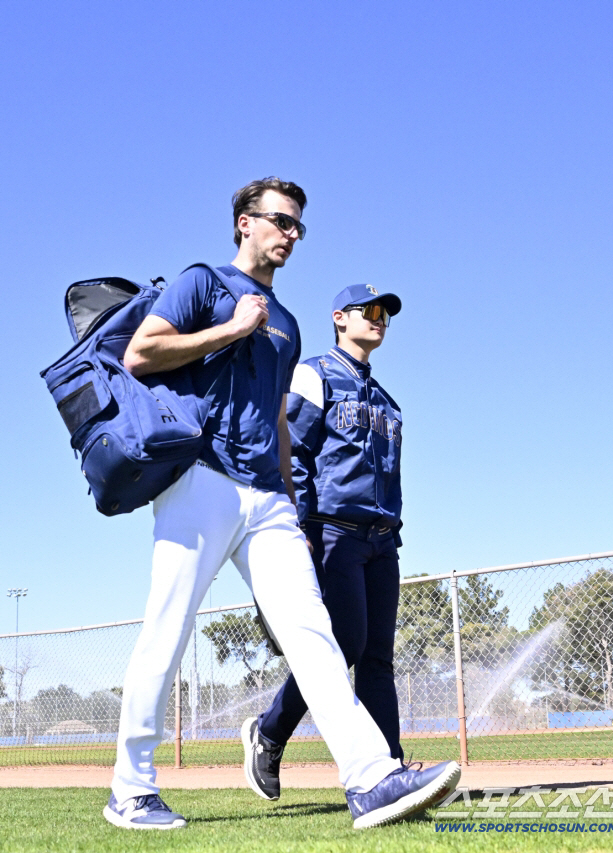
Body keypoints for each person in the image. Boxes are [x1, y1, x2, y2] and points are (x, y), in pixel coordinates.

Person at [103, 177, 460, 831]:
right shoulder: (203, 283)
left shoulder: (288, 324)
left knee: (315, 635)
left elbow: (277, 419)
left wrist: (292, 504)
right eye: (281, 220)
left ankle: (371, 777)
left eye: (298, 225)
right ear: (245, 222)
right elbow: (140, 354)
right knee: (167, 632)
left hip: (269, 499)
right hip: (202, 480)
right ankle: (131, 790)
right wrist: (230, 329)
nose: (291, 234)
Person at [242, 283, 406, 802]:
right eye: (370, 310)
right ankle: (269, 732)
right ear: (339, 317)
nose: (379, 319)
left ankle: (391, 770)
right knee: (344, 645)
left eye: (386, 314)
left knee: (377, 658)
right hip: (331, 531)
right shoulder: (314, 374)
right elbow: (293, 453)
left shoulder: (387, 401)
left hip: (382, 539)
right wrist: (298, 527)